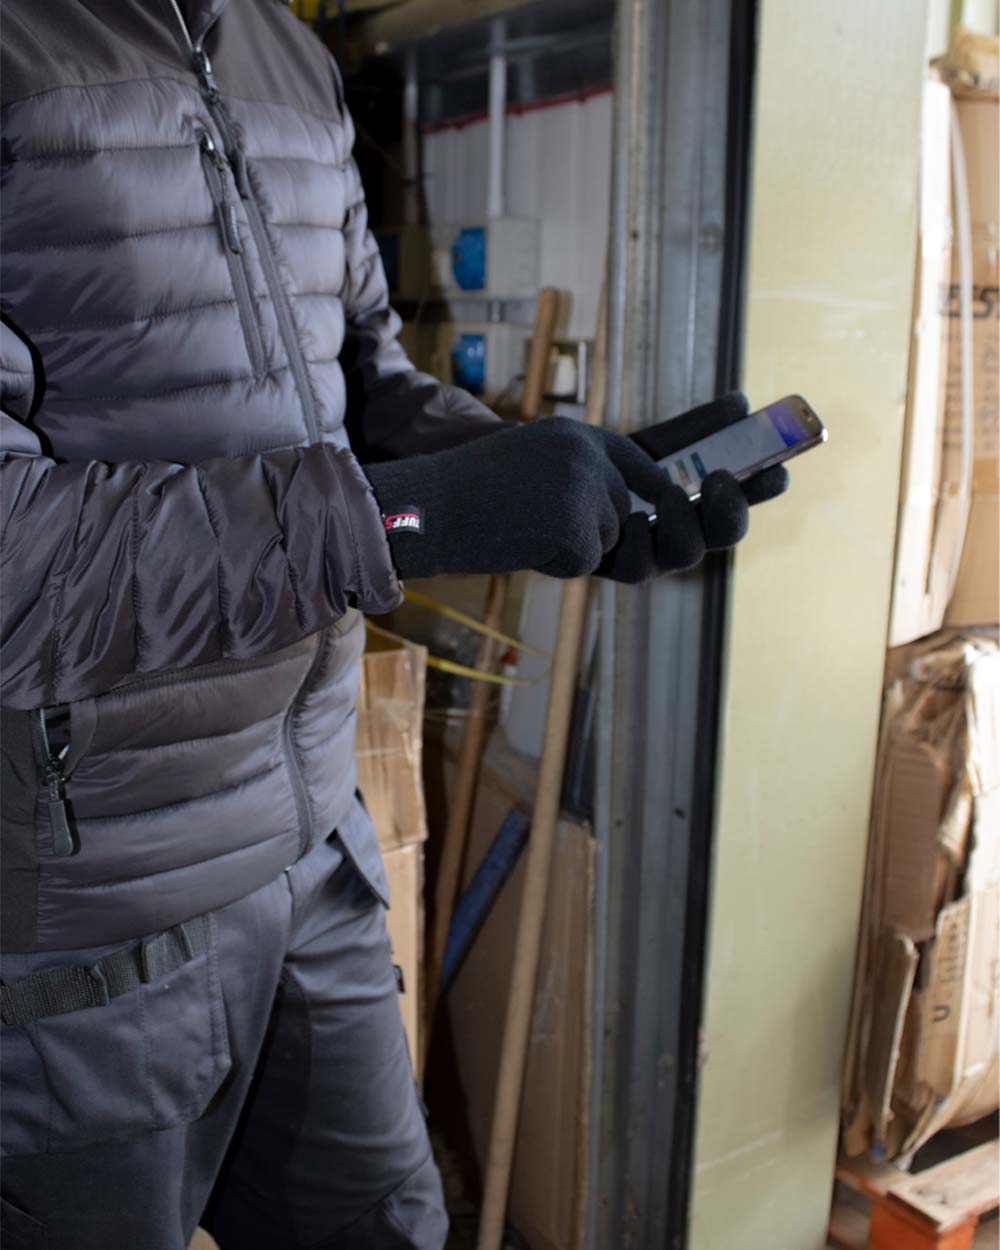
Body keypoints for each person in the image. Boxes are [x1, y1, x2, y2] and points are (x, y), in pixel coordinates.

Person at [0, 3, 787, 1247]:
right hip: (86, 921)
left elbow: (362, 384)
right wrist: (412, 519)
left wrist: (557, 480)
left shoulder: (286, 51)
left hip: (312, 845)